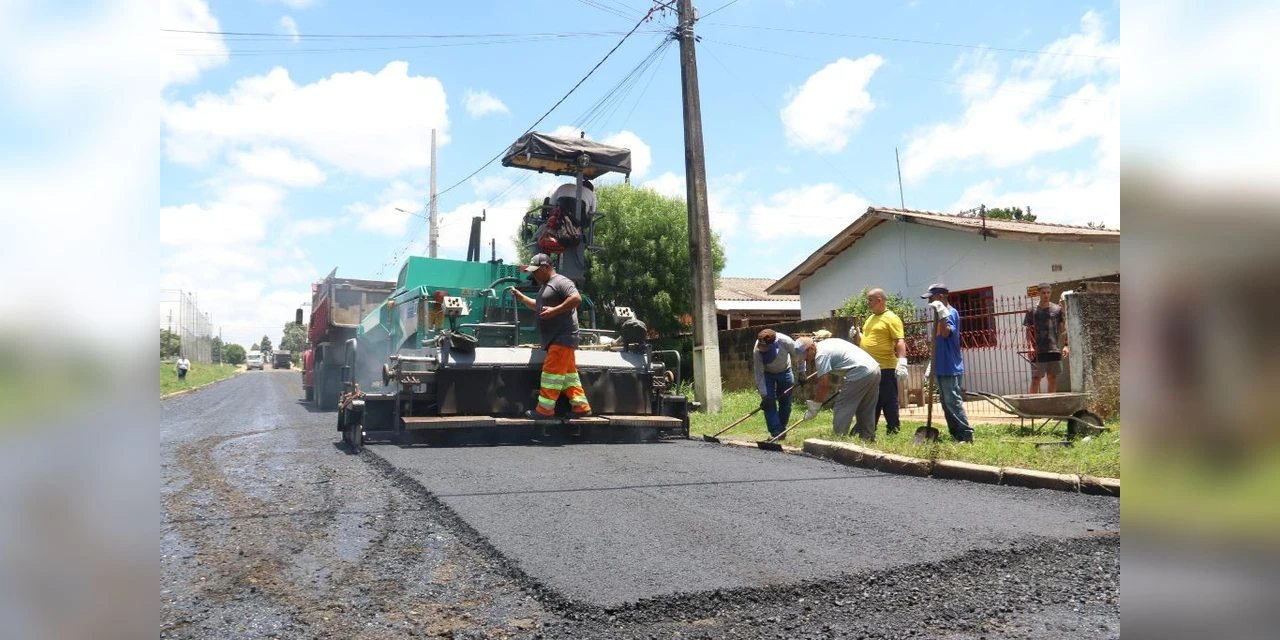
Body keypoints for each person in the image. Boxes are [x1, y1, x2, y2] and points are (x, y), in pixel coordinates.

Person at [508, 254, 592, 419]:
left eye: (537, 271)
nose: (535, 275)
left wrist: (555, 311)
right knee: (569, 377)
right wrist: (521, 297)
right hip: (558, 339)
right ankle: (581, 407)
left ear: (547, 267)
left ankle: (545, 410)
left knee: (551, 374)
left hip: (562, 337)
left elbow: (576, 299)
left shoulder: (561, 282)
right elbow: (538, 307)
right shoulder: (545, 286)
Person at [793, 335, 881, 442]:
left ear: (811, 348)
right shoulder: (826, 344)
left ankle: (839, 439)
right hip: (874, 369)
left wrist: (814, 407)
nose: (806, 359)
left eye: (805, 356)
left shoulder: (821, 355)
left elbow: (823, 385)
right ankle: (868, 439)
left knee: (842, 407)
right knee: (866, 408)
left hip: (860, 373)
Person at [922, 283, 973, 443]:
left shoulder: (949, 313)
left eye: (931, 298)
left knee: (953, 401)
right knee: (945, 402)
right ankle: (955, 434)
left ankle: (966, 434)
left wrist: (942, 314)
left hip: (950, 366)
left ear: (941, 297)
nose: (929, 301)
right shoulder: (940, 315)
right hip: (941, 366)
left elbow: (945, 333)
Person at [855, 288, 908, 434]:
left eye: (870, 300)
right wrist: (858, 335)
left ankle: (893, 429)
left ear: (880, 300)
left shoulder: (891, 318)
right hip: (869, 367)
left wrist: (902, 362)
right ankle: (868, 428)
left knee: (889, 400)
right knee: (872, 401)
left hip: (885, 367)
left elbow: (900, 341)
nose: (868, 303)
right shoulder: (870, 318)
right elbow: (868, 339)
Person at [752, 329, 806, 439]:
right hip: (767, 375)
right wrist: (764, 395)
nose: (764, 350)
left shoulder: (786, 341)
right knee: (769, 402)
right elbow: (759, 374)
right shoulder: (757, 350)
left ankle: (781, 429)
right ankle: (775, 432)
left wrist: (802, 373)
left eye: (767, 348)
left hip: (785, 371)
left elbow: (799, 356)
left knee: (785, 402)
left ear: (774, 342)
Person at [1024, 283, 1069, 393]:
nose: (1046, 295)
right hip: (1038, 351)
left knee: (1052, 378)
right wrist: (1030, 347)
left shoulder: (1057, 310)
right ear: (1039, 293)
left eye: (1048, 293)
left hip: (1054, 349)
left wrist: (1066, 345)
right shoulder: (1032, 311)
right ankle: (1032, 406)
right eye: (1043, 293)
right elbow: (1028, 330)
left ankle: (1051, 404)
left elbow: (1063, 328)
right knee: (1036, 379)